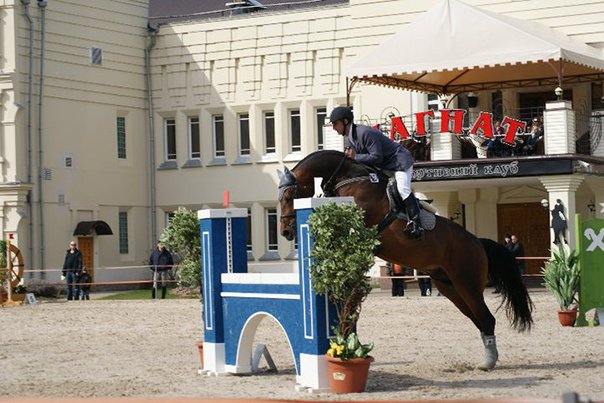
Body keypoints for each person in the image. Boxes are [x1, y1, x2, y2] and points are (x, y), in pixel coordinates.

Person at [328, 106, 423, 239]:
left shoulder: (365, 133)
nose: (334, 127)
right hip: (384, 166)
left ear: (345, 121)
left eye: (335, 123)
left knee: (403, 189)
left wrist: (355, 157)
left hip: (399, 161)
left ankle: (416, 224)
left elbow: (377, 157)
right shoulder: (349, 138)